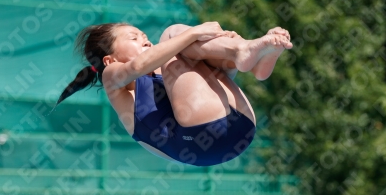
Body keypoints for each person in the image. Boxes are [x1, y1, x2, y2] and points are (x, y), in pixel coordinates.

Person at [53, 22, 292, 166]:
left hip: (241, 124)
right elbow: (137, 67)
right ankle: (243, 50)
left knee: (186, 45)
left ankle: (254, 54)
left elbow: (217, 79)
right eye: (134, 38)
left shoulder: (172, 68)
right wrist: (195, 32)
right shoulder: (113, 77)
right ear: (110, 58)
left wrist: (208, 42)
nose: (144, 38)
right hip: (199, 140)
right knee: (173, 33)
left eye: (143, 34)